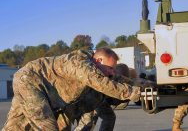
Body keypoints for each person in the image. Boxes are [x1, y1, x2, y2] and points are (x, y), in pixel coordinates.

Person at [2, 48, 141, 131]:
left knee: (15, 125)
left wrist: (145, 87)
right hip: (30, 81)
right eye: (110, 68)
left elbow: (118, 79)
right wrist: (131, 93)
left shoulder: (98, 71)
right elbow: (99, 82)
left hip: (44, 91)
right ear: (98, 61)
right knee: (47, 126)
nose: (111, 72)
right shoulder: (79, 63)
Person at [74, 63, 134, 131]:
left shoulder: (118, 81)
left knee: (107, 117)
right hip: (93, 99)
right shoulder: (111, 80)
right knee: (88, 122)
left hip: (99, 100)